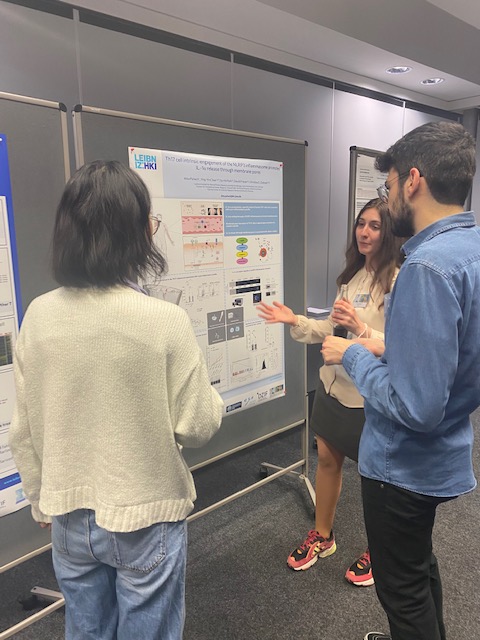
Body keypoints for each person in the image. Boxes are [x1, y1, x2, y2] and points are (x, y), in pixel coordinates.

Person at [9, 160, 224, 640]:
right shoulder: (163, 320)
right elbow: (197, 425)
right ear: (137, 233)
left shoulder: (38, 316)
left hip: (67, 513)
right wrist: (210, 395)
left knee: (86, 631)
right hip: (147, 512)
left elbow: (23, 429)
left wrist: (41, 500)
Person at [321, 121, 480, 640]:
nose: (386, 200)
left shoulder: (426, 267)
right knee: (418, 566)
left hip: (402, 466)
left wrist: (353, 354)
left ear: (413, 181)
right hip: (442, 455)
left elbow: (416, 406)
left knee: (402, 590)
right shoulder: (471, 249)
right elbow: (454, 354)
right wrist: (389, 346)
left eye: (387, 186)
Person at [257, 197, 403, 584]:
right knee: (326, 460)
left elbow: (404, 346)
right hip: (333, 388)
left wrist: (360, 328)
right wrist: (295, 320)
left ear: (389, 233)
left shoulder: (400, 281)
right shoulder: (352, 277)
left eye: (374, 226)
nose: (364, 232)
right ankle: (323, 536)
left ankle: (383, 551)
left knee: (378, 478)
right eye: (361, 224)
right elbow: (331, 330)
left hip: (369, 396)